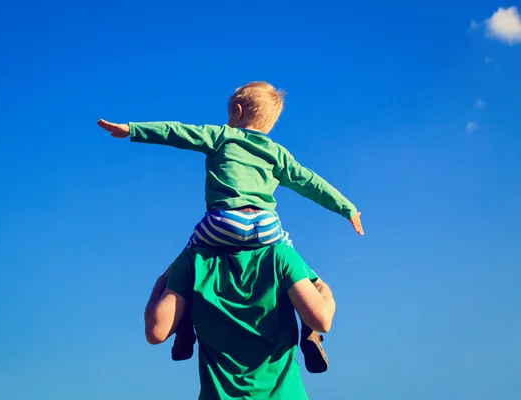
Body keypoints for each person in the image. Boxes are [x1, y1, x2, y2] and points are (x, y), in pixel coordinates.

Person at [97, 81, 363, 372]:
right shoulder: (277, 153)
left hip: (223, 222)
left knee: (190, 252)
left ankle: (185, 325)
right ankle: (310, 331)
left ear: (237, 111)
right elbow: (311, 182)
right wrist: (347, 208)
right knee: (292, 257)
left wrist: (132, 129)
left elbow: (177, 132)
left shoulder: (223, 136)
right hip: (265, 226)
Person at [144, 242, 336, 399]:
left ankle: (184, 324)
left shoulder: (193, 260)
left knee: (183, 292)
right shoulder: (280, 255)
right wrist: (318, 283)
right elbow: (322, 320)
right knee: (310, 295)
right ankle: (308, 331)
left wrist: (167, 276)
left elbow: (156, 332)